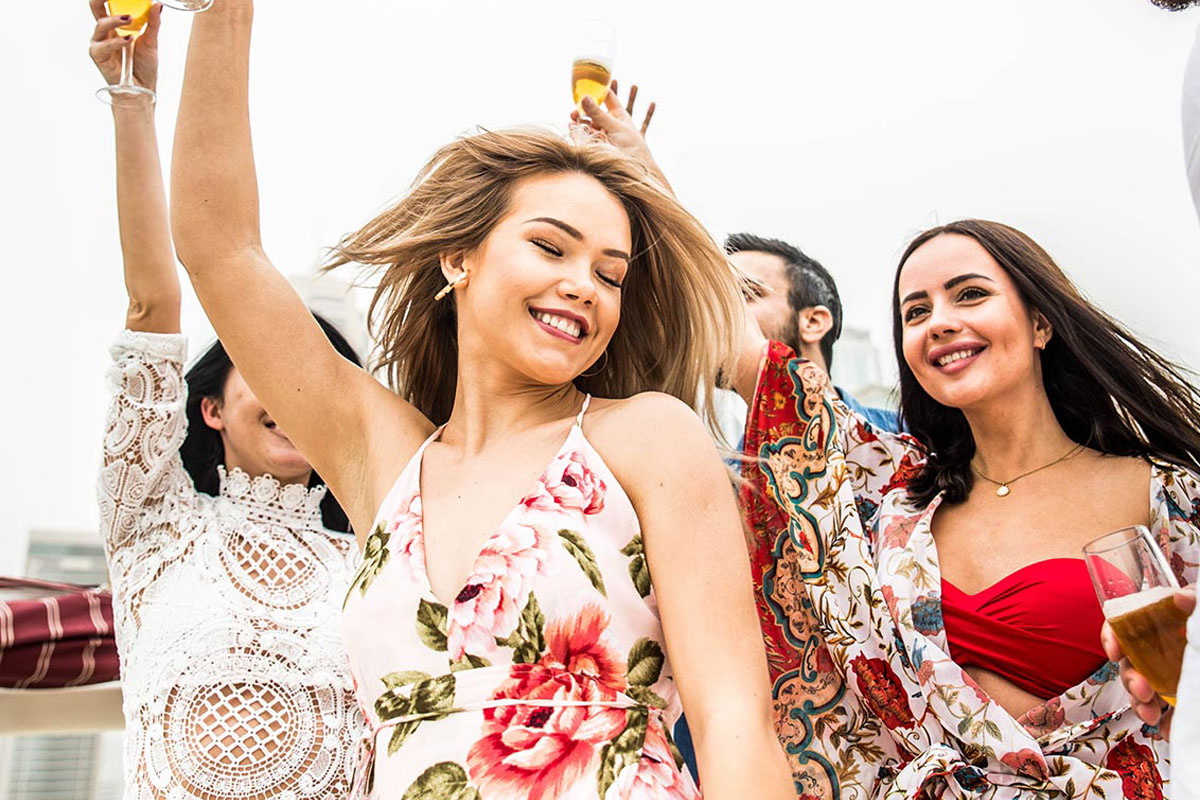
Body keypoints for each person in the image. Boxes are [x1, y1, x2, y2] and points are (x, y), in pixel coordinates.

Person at [168, 3, 796, 799]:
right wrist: (222, 14)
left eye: (610, 275)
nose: (583, 285)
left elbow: (734, 720)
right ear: (458, 258)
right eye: (550, 246)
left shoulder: (648, 438)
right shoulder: (384, 461)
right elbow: (220, 250)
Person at [727, 219, 1200, 798]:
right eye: (916, 312)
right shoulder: (891, 496)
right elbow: (757, 365)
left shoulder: (1169, 495)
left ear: (1041, 322)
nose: (939, 322)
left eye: (970, 294)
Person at [89, 4, 365, 798]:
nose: (292, 394)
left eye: (312, 380)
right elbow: (152, 304)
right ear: (209, 407)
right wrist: (132, 96)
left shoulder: (376, 563)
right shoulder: (152, 522)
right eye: (265, 372)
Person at [727, 233, 900, 432]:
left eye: (745, 294)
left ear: (813, 322)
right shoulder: (718, 452)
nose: (719, 313)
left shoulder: (914, 437)